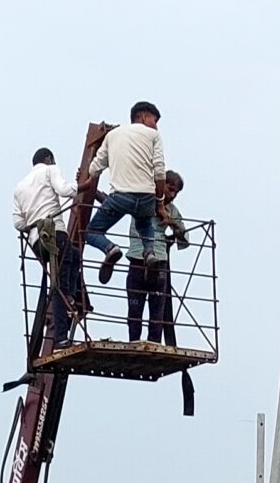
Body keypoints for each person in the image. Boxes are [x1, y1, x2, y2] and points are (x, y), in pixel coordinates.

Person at [83, 104, 168, 282]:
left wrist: (89, 179)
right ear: (143, 117)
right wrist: (160, 203)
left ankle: (110, 248)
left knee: (91, 231)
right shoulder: (153, 136)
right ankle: (149, 253)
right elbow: (159, 171)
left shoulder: (112, 135)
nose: (156, 126)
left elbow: (97, 165)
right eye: (155, 120)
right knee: (144, 224)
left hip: (120, 197)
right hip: (146, 197)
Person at [13, 147, 81, 349]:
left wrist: (33, 223)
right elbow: (64, 190)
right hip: (55, 233)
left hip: (37, 241)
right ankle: (61, 337)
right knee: (59, 286)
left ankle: (69, 293)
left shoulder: (20, 187)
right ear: (49, 159)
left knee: (74, 256)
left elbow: (18, 223)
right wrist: (81, 186)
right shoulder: (50, 170)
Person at [127, 173, 187, 342]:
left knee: (157, 309)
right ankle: (134, 342)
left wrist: (172, 223)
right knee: (134, 308)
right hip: (137, 258)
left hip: (159, 260)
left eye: (176, 192)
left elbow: (184, 237)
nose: (172, 195)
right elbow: (119, 203)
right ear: (162, 185)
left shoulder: (172, 210)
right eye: (170, 189)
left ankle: (154, 342)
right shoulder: (142, 199)